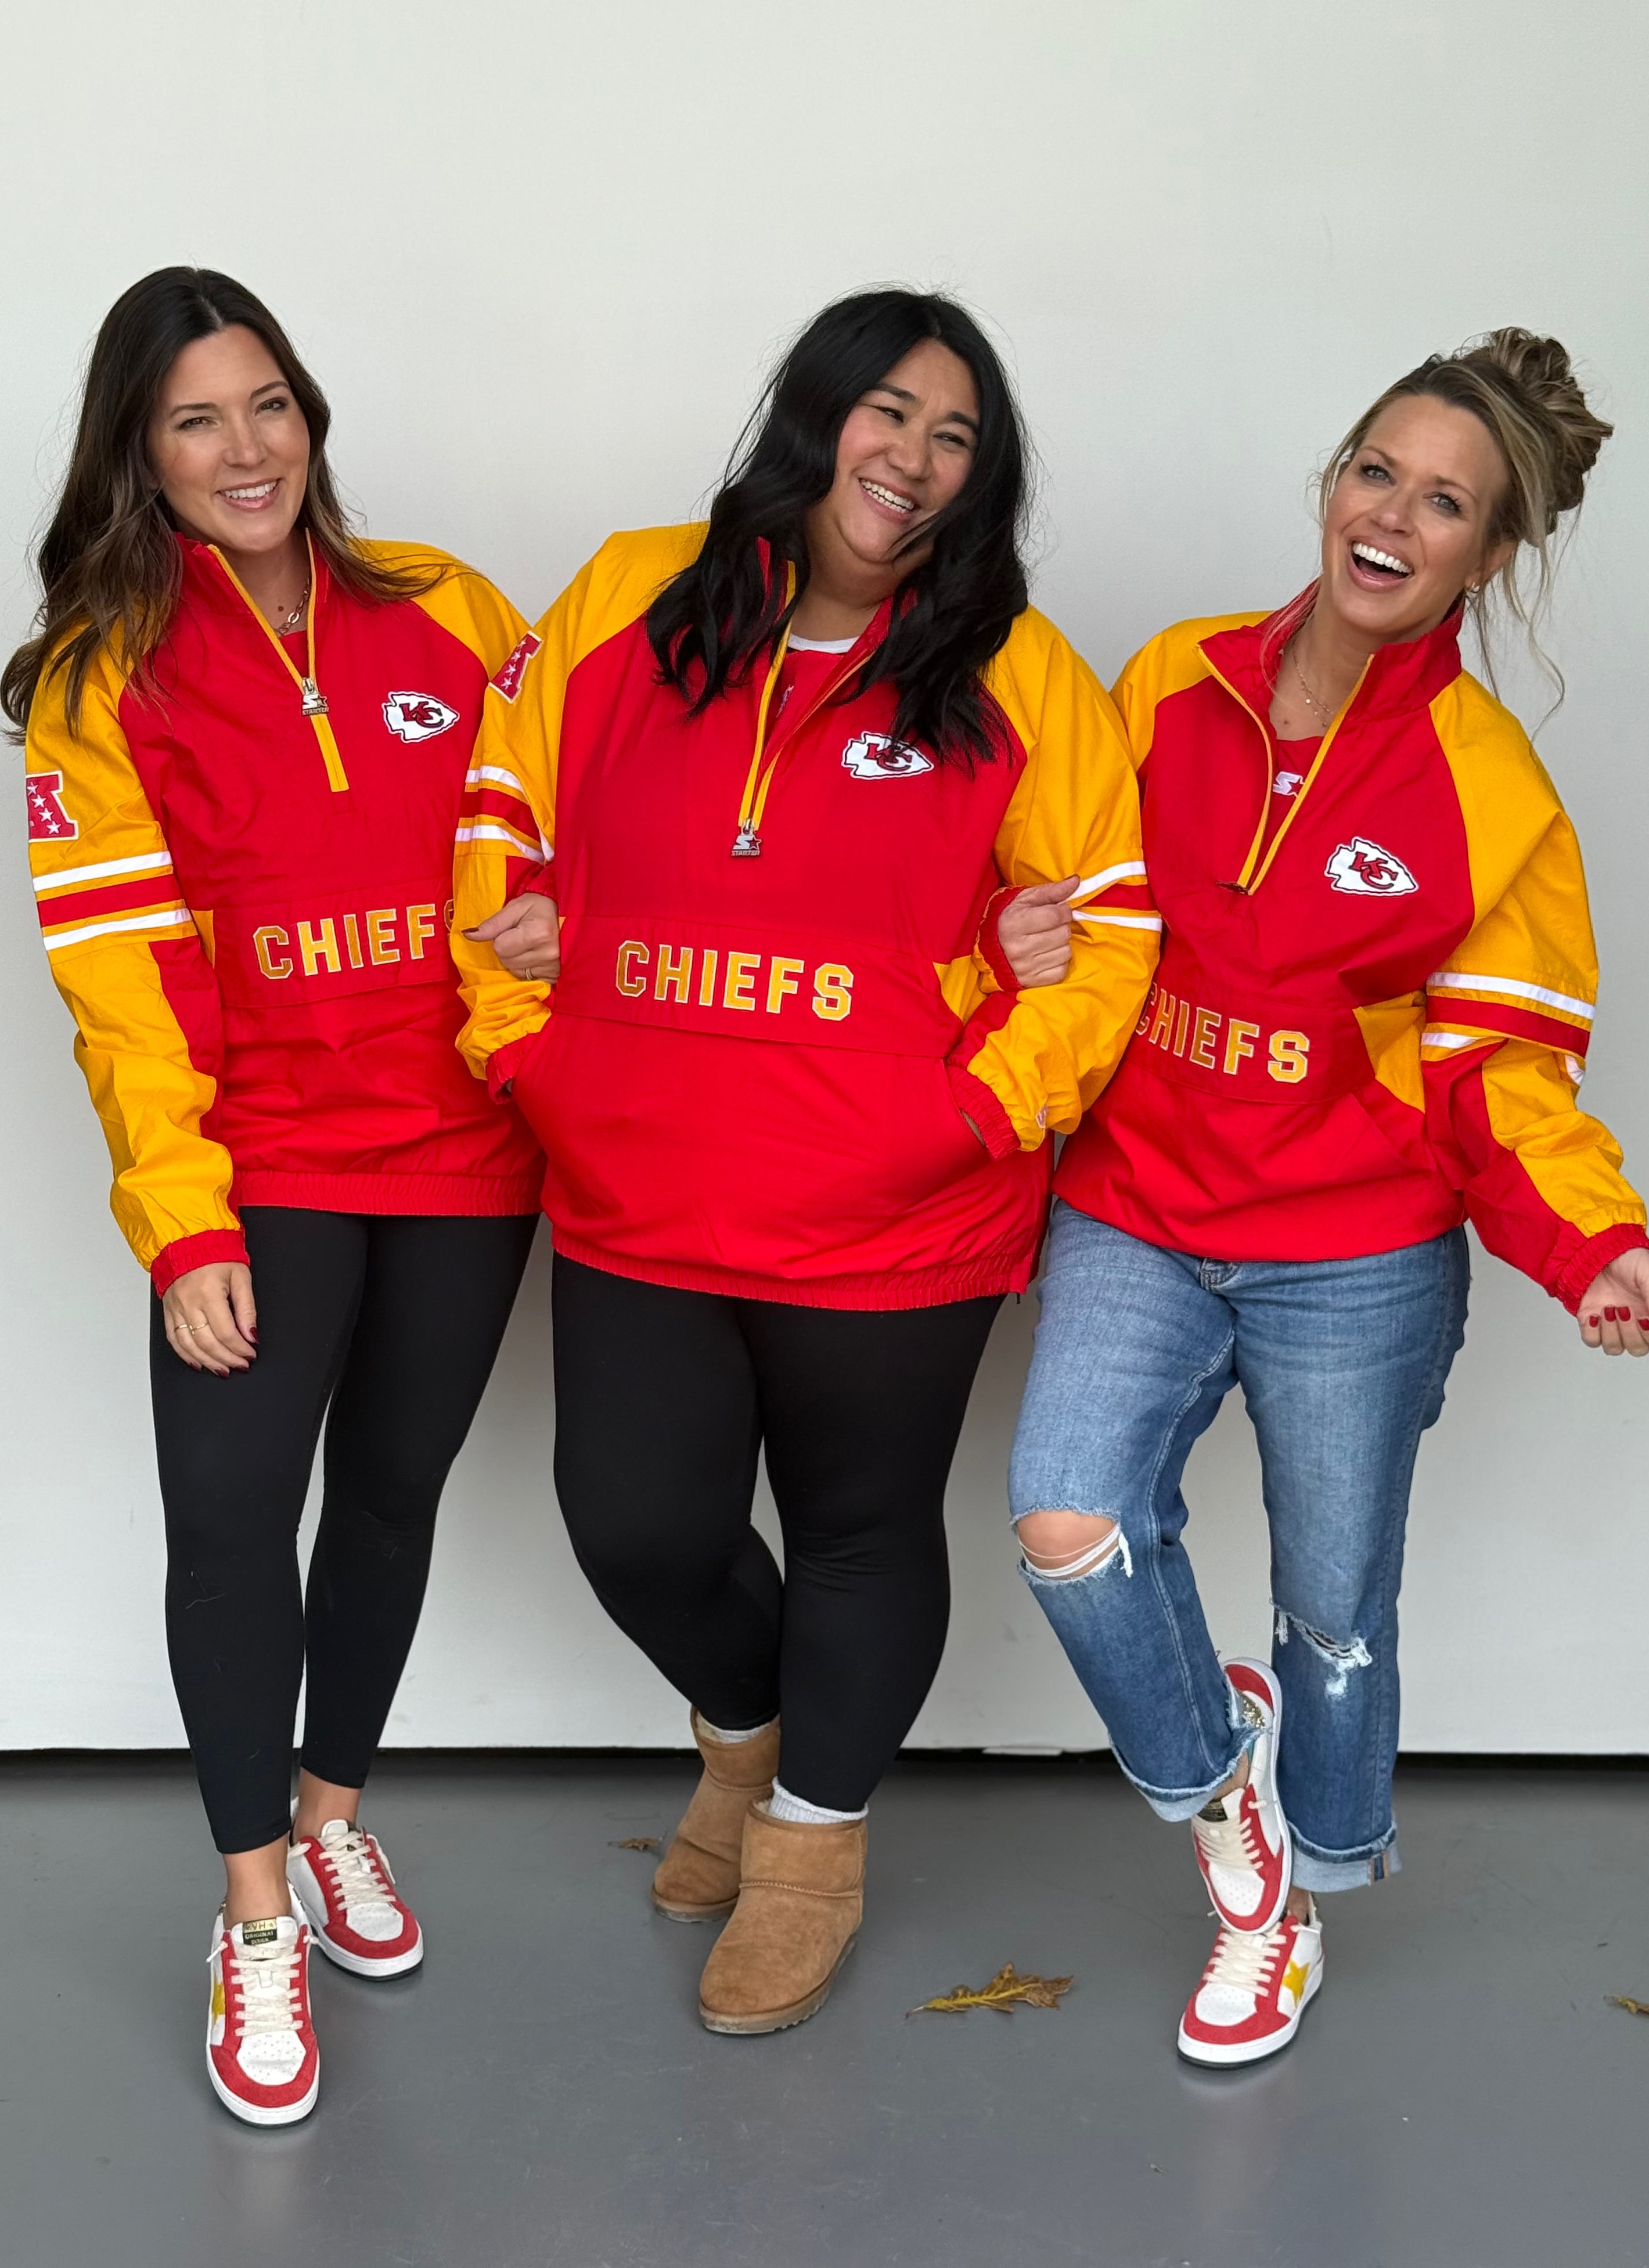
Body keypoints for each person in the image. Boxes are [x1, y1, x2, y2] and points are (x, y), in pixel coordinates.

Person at [453, 289, 1158, 2035]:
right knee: (637, 1521)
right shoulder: (631, 594)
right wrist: (526, 1041)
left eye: (955, 437)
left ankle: (812, 1849)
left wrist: (978, 1108)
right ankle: (747, 1749)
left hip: (894, 1209)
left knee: (857, 1531)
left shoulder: (1017, 670)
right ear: (816, 413)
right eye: (887, 412)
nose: (911, 458)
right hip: (643, 1179)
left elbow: (1116, 926)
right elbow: (496, 811)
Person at [996, 328, 1649, 2068]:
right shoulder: (1170, 679)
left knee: (1332, 1618)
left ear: (1488, 553)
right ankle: (1243, 1841)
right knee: (1067, 1518)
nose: (1393, 514)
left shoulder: (1491, 789)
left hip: (1355, 1252)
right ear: (1331, 481)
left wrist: (1590, 1242)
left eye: (1444, 502)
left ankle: (1305, 1881)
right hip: (1139, 1203)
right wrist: (1014, 932)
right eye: (1377, 470)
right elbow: (1057, 883)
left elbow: (1500, 1070)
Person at [8, 268, 543, 2125]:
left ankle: (332, 1817)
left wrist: (557, 941)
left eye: (268, 406)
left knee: (390, 1496)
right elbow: (119, 986)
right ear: (138, 452)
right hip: (266, 1167)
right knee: (233, 1520)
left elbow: (570, 826)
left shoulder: (454, 609)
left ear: (309, 413)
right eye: (195, 421)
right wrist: (183, 1220)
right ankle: (254, 1914)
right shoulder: (99, 677)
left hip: (467, 1155)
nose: (245, 450)